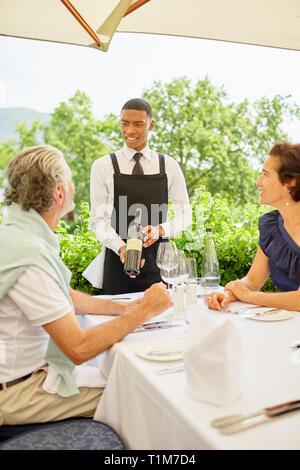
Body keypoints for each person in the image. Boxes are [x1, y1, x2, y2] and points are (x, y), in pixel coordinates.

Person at [0, 144, 172, 427]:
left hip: (23, 376)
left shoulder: (16, 235)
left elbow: (61, 294)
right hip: (20, 389)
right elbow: (78, 348)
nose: (72, 186)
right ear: (59, 193)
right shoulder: (28, 252)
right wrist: (143, 313)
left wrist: (128, 306)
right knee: (144, 391)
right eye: (68, 180)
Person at [83, 98, 192, 294]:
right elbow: (98, 221)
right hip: (117, 263)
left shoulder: (169, 166)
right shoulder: (102, 166)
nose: (130, 131)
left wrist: (160, 229)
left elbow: (185, 216)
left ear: (151, 125)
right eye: (125, 123)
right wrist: (121, 248)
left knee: (162, 323)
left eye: (137, 124)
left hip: (160, 266)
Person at [207, 142, 300, 312]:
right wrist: (228, 294)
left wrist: (248, 296)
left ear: (290, 182)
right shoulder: (271, 226)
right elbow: (251, 281)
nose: (258, 182)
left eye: (266, 174)